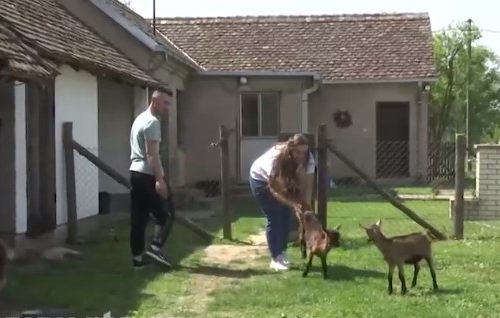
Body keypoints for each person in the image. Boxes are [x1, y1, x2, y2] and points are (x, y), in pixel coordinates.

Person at [249, 134, 316, 271]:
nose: (301, 156)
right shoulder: (276, 159)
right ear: (291, 149)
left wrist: (306, 211)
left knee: (286, 215)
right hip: (260, 180)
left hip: (283, 180)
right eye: (297, 152)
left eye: (304, 152)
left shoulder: (309, 159)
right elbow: (274, 190)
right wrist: (292, 204)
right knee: (275, 215)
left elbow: (307, 187)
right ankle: (276, 258)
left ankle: (282, 253)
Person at [129, 87, 176, 270]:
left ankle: (137, 261)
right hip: (148, 174)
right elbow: (152, 154)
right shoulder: (152, 122)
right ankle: (155, 248)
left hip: (135, 173)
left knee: (138, 218)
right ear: (155, 102)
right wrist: (160, 180)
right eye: (165, 103)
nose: (167, 108)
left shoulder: (139, 119)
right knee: (167, 213)